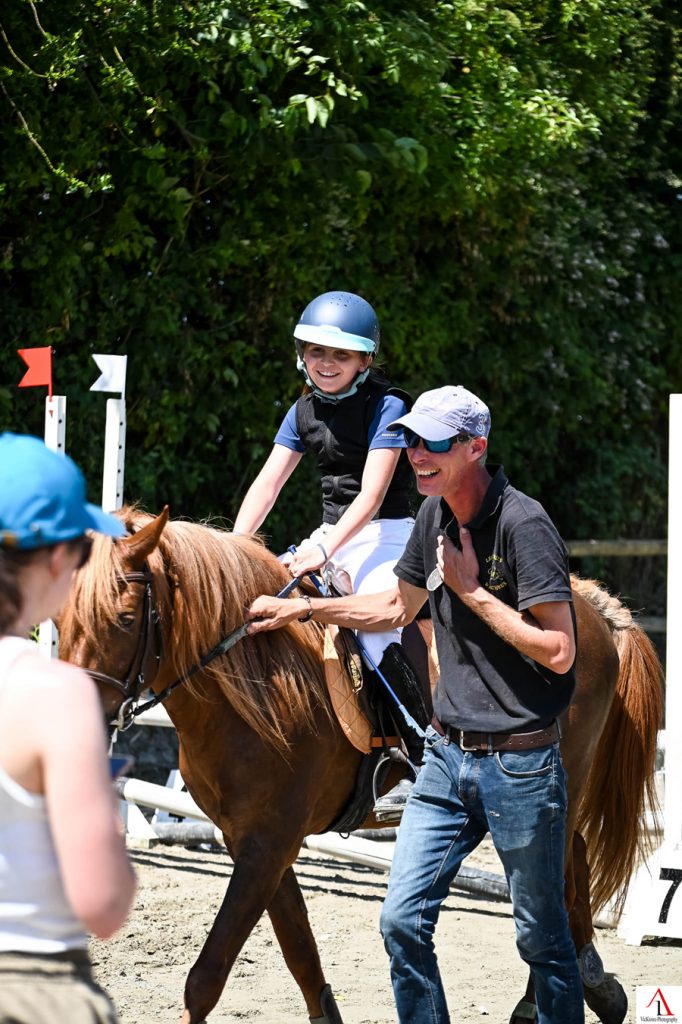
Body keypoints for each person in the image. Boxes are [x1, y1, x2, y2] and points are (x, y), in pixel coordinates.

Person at [245, 385, 584, 1024]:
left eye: (431, 443)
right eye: (407, 440)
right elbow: (395, 608)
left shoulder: (525, 524)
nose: (414, 455)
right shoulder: (431, 515)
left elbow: (561, 651)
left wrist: (473, 593)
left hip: (521, 766)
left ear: (475, 447)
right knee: (401, 921)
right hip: (446, 761)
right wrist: (303, 608)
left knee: (541, 940)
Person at [0, 432, 137, 1024]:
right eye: (84, 552)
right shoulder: (58, 694)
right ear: (59, 559)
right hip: (33, 984)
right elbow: (103, 906)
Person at [233, 289, 419, 706]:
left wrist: (324, 548)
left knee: (376, 631)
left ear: (365, 360)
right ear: (302, 355)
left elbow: (371, 496)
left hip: (385, 535)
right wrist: (237, 546)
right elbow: (267, 485)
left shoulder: (389, 405)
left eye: (342, 355)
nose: (327, 364)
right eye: (317, 352)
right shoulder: (301, 410)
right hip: (329, 535)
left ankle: (418, 742)